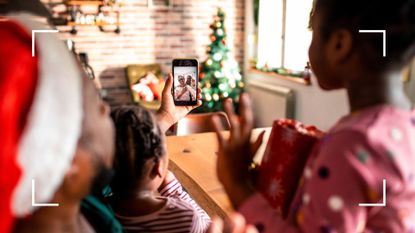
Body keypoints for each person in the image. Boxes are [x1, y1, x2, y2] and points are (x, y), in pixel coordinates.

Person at [212, 0, 415, 232]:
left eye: (313, 33)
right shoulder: (407, 127)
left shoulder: (353, 144)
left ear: (340, 44)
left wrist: (236, 183)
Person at [0, 13, 203, 233]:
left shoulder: (76, 196)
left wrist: (166, 117)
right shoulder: (97, 210)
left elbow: (129, 156)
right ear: (69, 160)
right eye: (97, 105)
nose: (106, 108)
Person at [109, 105, 211, 233]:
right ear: (159, 167)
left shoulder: (99, 211)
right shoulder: (184, 218)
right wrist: (174, 190)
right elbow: (209, 226)